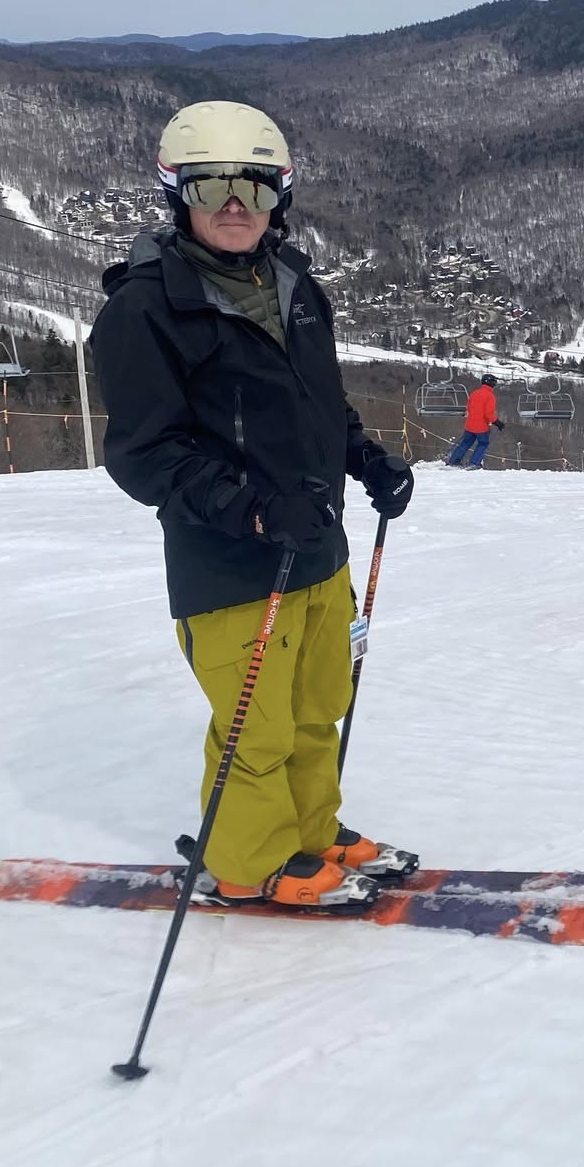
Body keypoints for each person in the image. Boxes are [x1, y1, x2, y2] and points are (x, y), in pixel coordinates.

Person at [92, 101, 420, 911]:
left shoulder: (296, 286)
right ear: (179, 194)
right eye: (214, 187)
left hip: (318, 550)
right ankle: (247, 863)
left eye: (257, 188)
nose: (237, 205)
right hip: (231, 564)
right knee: (258, 727)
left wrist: (364, 457)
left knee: (317, 709)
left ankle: (311, 832)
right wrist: (255, 511)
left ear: (281, 196)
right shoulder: (144, 308)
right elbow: (144, 454)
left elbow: (318, 405)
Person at [446, 375, 504, 468]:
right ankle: (474, 463)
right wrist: (497, 423)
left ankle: (454, 461)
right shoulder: (490, 396)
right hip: (482, 427)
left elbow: (468, 408)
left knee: (465, 443)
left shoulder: (474, 393)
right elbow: (488, 414)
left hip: (470, 425)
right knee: (483, 444)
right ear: (492, 384)